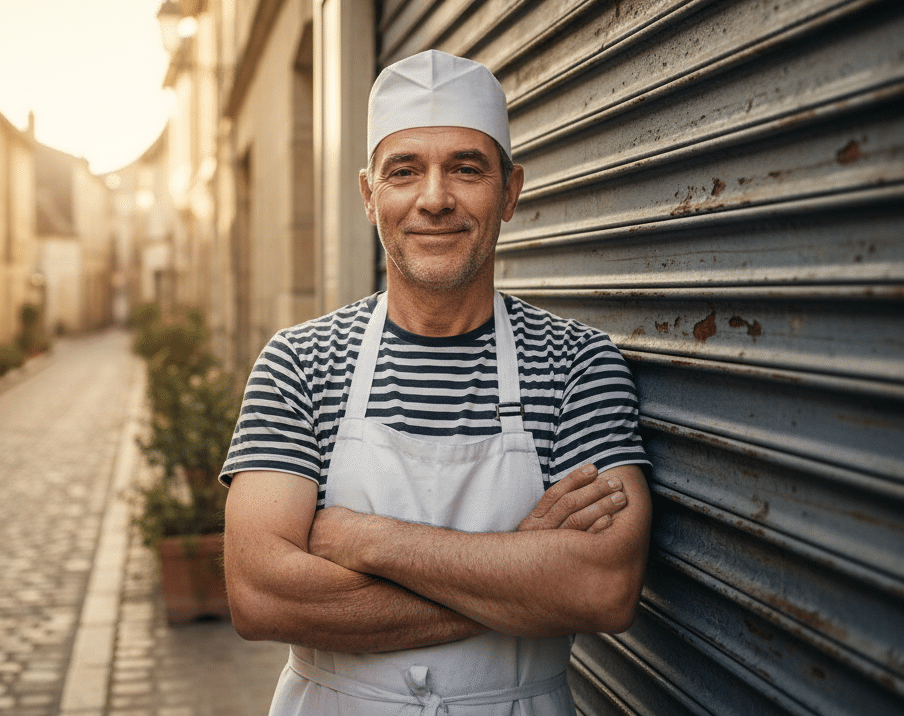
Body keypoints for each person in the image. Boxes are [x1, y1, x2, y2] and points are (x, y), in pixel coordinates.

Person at [219, 50, 652, 716]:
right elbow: (259, 594)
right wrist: (521, 574)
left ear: (510, 191)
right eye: (405, 171)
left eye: (467, 168)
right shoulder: (299, 363)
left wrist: (365, 540)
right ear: (370, 196)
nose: (434, 198)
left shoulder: (578, 365)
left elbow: (602, 588)